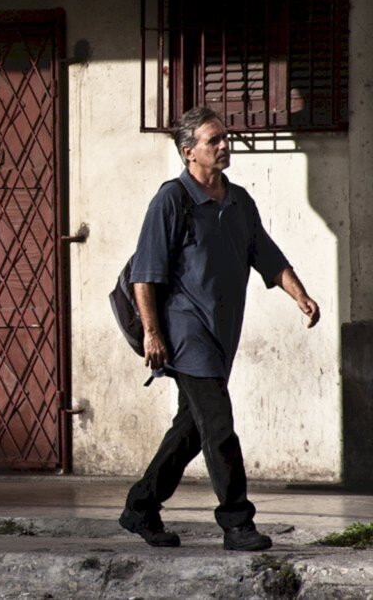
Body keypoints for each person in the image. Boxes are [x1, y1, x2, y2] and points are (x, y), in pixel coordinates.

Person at [119, 106, 320, 552]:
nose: (225, 145)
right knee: (219, 425)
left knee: (191, 429)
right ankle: (236, 522)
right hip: (184, 333)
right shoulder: (172, 200)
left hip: (220, 332)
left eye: (224, 137)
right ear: (190, 152)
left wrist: (300, 295)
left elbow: (266, 255)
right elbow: (144, 275)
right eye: (215, 140)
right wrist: (153, 334)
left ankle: (140, 506)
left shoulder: (239, 201)